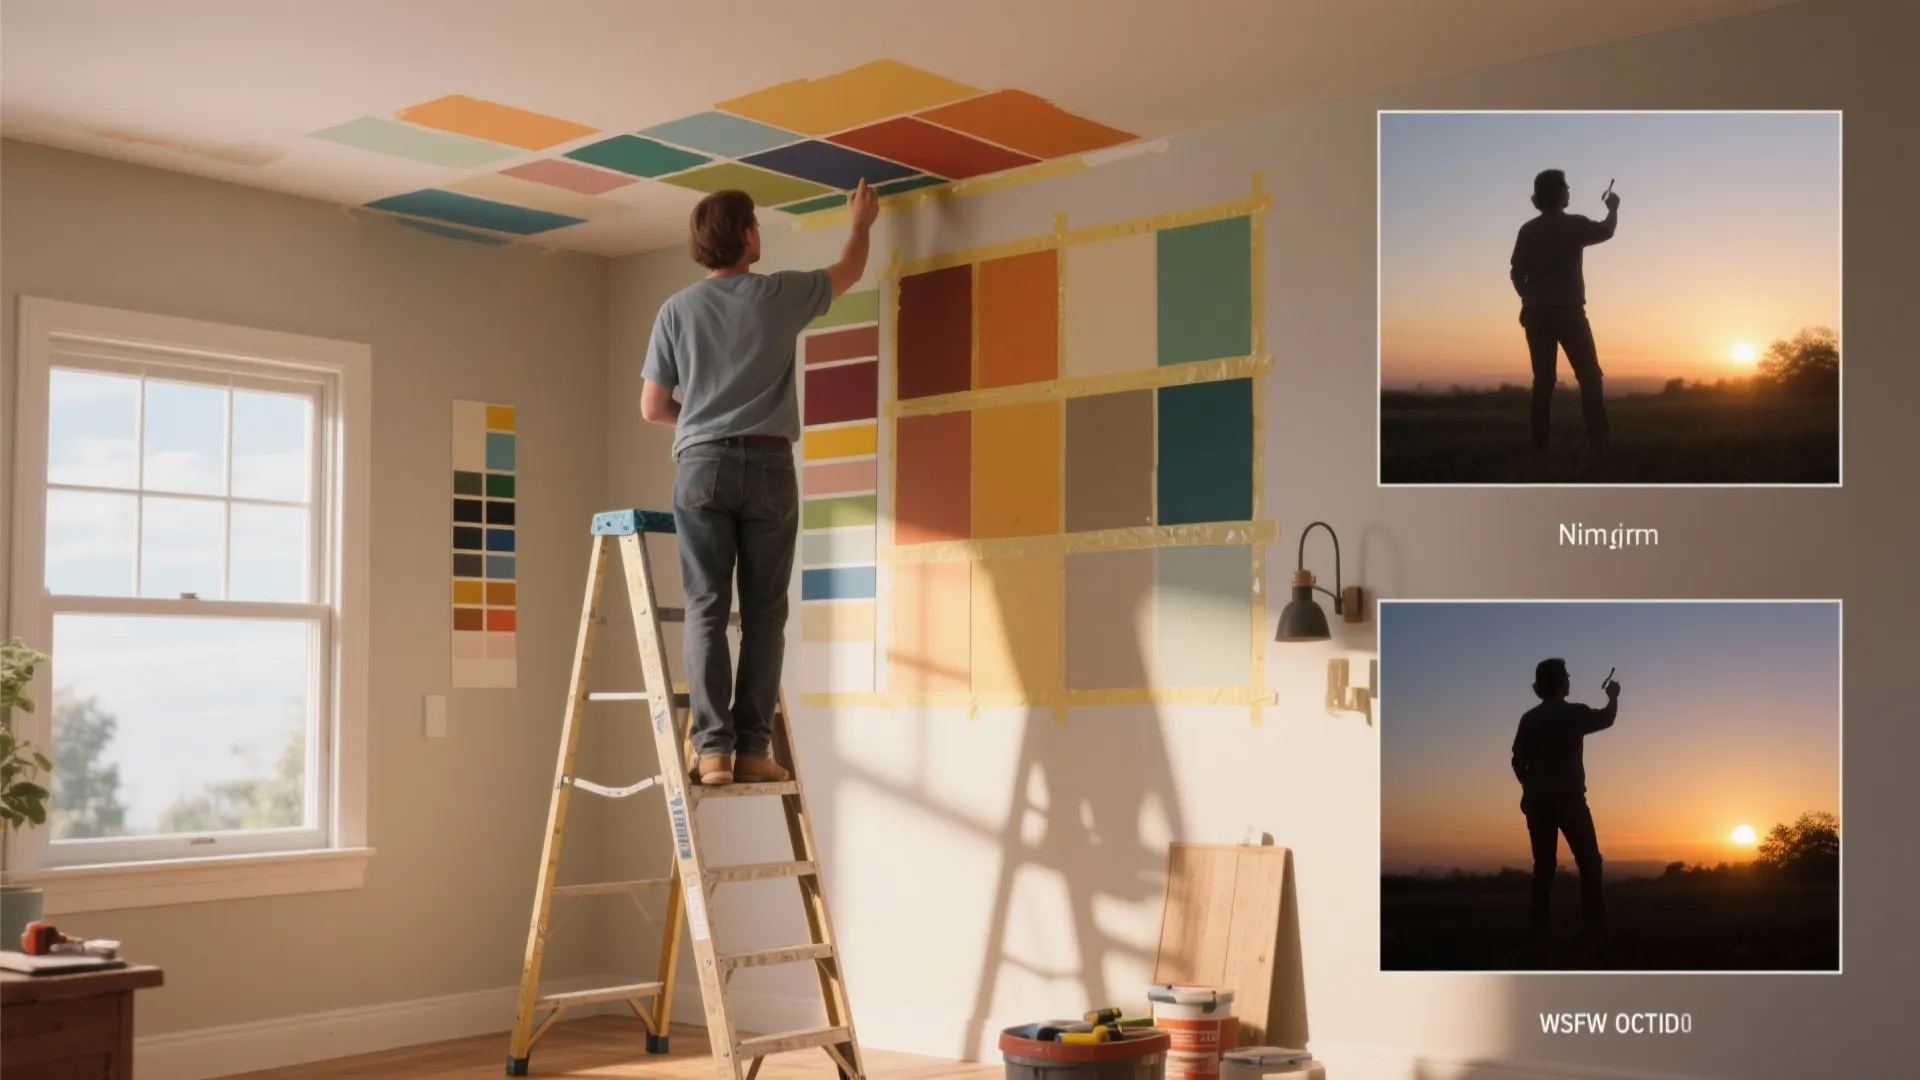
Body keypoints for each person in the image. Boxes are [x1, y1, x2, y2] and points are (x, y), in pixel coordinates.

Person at [640, 180, 879, 785]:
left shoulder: (676, 309)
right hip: (770, 467)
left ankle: (713, 750)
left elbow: (651, 406)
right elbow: (850, 269)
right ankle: (752, 747)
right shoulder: (778, 294)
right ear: (746, 236)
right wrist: (861, 221)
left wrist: (696, 423)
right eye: (756, 225)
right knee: (766, 613)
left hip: (701, 468)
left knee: (706, 609)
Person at [1509, 169, 1620, 456]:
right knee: (1590, 378)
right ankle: (1600, 443)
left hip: (1536, 315)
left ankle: (1540, 448)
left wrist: (1528, 299)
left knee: (1543, 383)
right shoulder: (1575, 225)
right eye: (1567, 187)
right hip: (1569, 313)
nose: (1570, 191)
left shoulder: (1527, 230)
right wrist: (1613, 209)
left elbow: (1516, 274)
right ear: (1559, 193)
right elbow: (1607, 230)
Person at [1511, 657, 1620, 930]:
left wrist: (1529, 786)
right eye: (1567, 677)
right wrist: (1614, 697)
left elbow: (1517, 761)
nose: (1571, 680)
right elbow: (1607, 718)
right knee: (1589, 861)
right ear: (1561, 683)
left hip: (1537, 801)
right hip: (1570, 799)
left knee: (1544, 867)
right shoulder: (1575, 713)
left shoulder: (1529, 719)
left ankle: (1539, 929)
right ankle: (1595, 920)